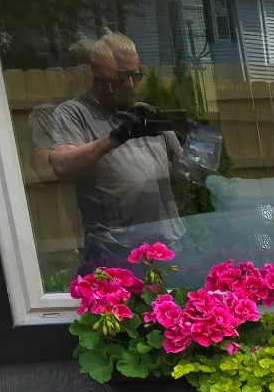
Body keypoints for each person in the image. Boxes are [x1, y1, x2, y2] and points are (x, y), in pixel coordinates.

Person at [30, 32, 188, 271]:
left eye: (136, 75)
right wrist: (117, 137)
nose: (131, 84)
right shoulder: (74, 113)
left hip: (168, 244)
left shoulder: (144, 112)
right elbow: (62, 165)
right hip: (115, 250)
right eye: (122, 76)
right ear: (97, 72)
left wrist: (195, 143)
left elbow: (184, 169)